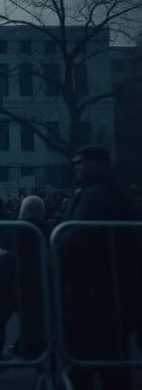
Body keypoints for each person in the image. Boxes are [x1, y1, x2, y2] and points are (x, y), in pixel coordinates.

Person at [56, 146, 141, 390]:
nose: (75, 168)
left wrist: (56, 247)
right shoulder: (112, 193)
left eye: (80, 163)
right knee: (112, 361)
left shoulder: (94, 195)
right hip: (111, 288)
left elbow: (74, 236)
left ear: (96, 164)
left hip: (92, 289)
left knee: (83, 360)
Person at [0, 195, 48, 380]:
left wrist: (4, 253)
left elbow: (4, 251)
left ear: (22, 210)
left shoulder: (15, 228)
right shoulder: (47, 229)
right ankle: (43, 363)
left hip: (7, 282)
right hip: (34, 283)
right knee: (35, 323)